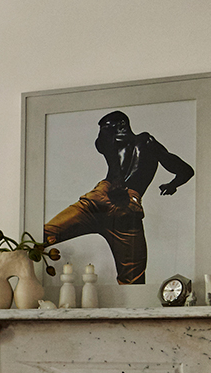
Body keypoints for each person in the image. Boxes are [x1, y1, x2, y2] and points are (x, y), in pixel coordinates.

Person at [42, 111, 193, 284]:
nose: (103, 133)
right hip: (127, 208)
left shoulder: (118, 142)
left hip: (103, 199)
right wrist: (172, 185)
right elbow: (185, 171)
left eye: (106, 128)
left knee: (43, 235)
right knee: (132, 280)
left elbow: (101, 144)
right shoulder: (146, 143)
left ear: (122, 124)